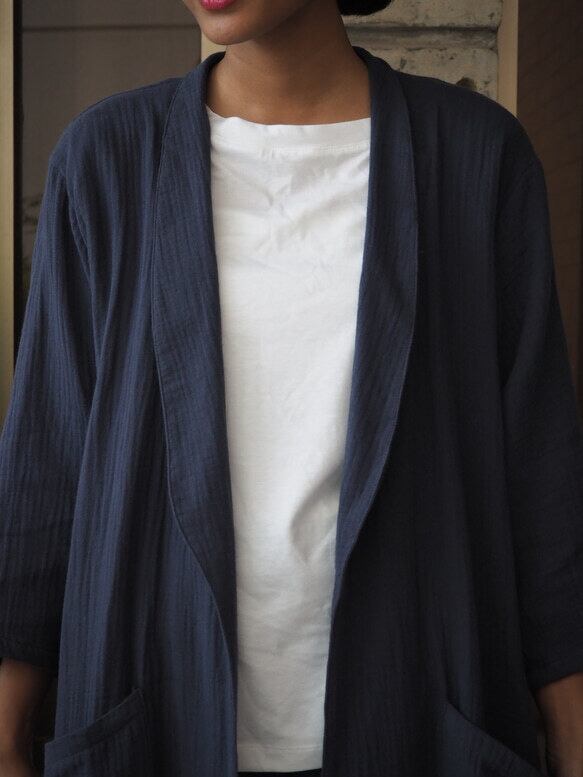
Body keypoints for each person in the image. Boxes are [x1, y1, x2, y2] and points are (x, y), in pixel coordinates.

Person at [1, 0, 583, 776]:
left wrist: (571, 735)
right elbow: (46, 463)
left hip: (420, 711)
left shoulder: (475, 157)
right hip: (152, 712)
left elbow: (538, 469)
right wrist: (7, 734)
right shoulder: (105, 160)